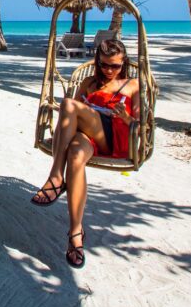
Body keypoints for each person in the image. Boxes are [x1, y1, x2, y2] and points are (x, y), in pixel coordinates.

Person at [30, 38, 139, 269]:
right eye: (104, 65)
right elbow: (71, 118)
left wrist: (125, 117)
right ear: (97, 62)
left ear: (124, 63)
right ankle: (76, 233)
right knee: (76, 156)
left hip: (113, 137)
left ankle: (56, 177)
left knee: (68, 104)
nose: (109, 70)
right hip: (86, 136)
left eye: (115, 66)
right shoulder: (89, 82)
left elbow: (141, 127)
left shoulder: (133, 84)